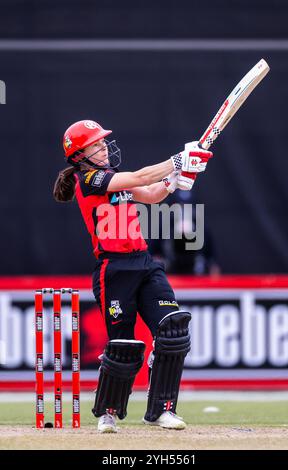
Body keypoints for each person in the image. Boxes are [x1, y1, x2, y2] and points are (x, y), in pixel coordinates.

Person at [53, 119, 213, 433]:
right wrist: (178, 161)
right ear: (79, 156)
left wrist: (176, 180)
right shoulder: (90, 179)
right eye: (96, 144)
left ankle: (161, 411)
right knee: (123, 345)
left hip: (143, 262)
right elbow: (139, 176)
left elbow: (150, 193)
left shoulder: (114, 178)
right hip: (113, 269)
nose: (103, 147)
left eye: (102, 142)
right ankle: (108, 412)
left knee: (172, 332)